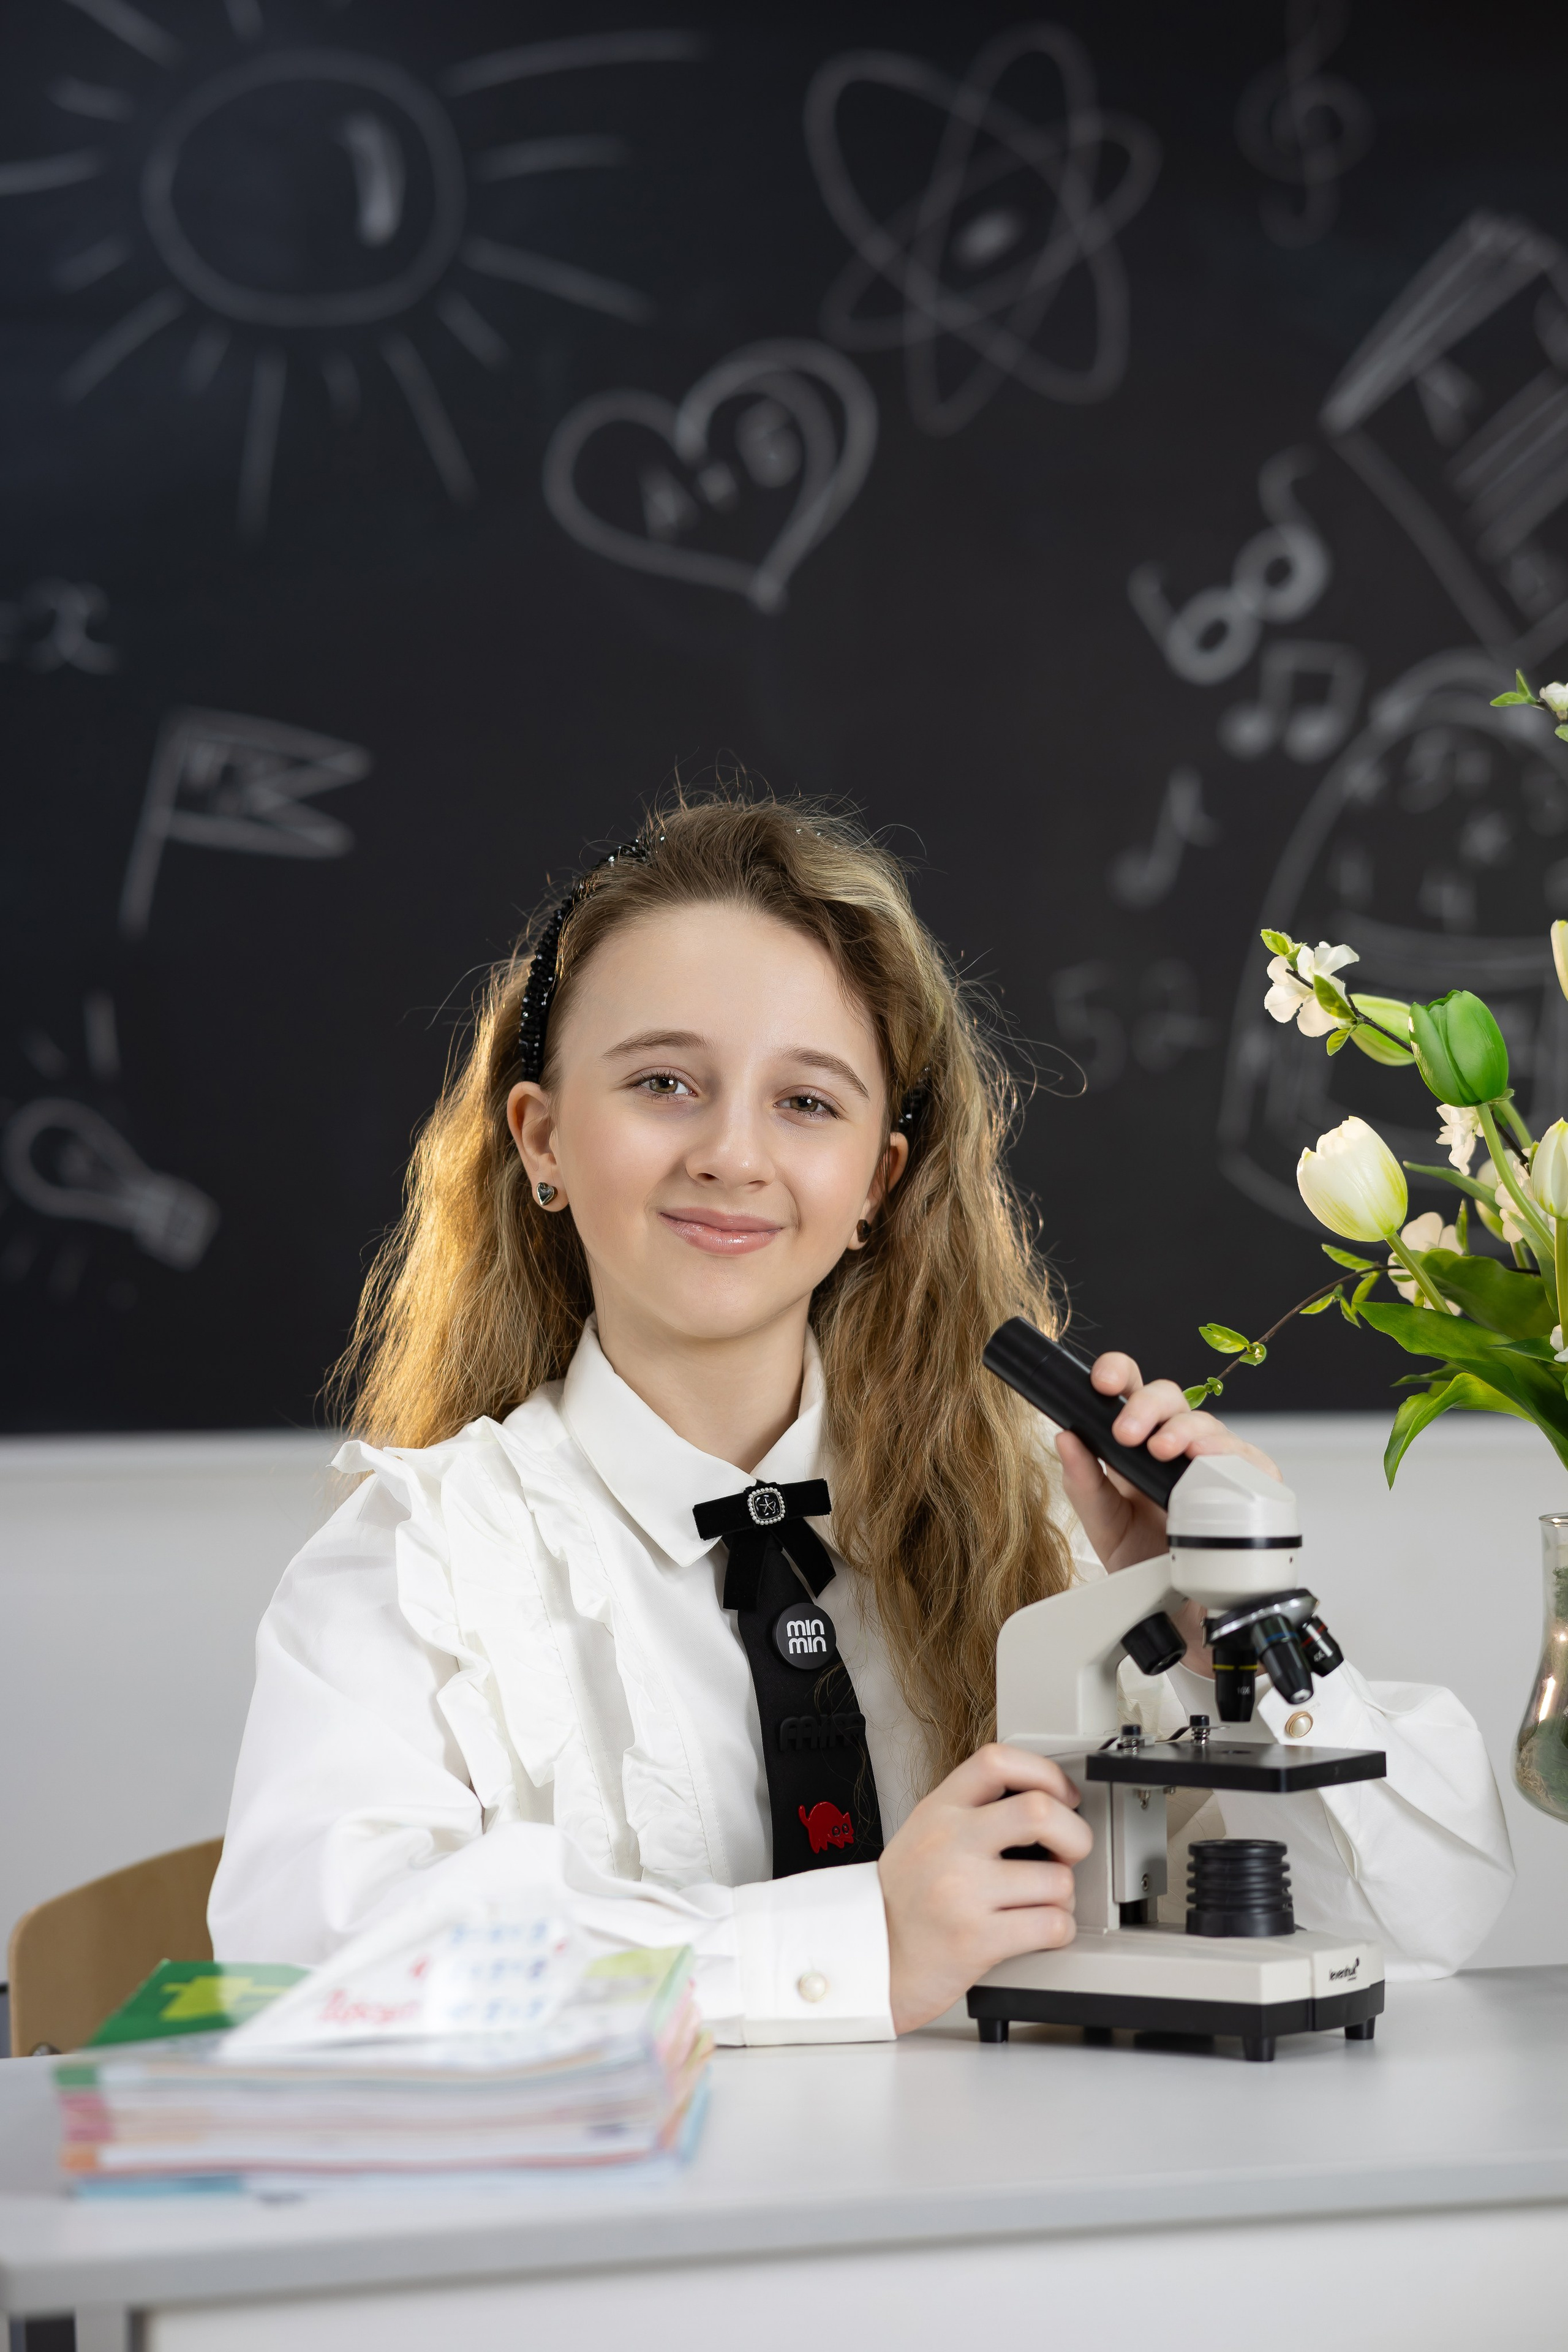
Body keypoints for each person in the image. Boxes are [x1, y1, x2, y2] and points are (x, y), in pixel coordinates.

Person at [209, 795, 1513, 2040]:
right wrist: (854, 1944)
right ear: (540, 1138)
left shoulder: (1045, 1531)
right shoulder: (415, 1567)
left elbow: (1417, 1924)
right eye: (662, 1082)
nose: (731, 1152)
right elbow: (314, 1966)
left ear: (879, 1181)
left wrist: (1226, 1620)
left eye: (807, 1101)